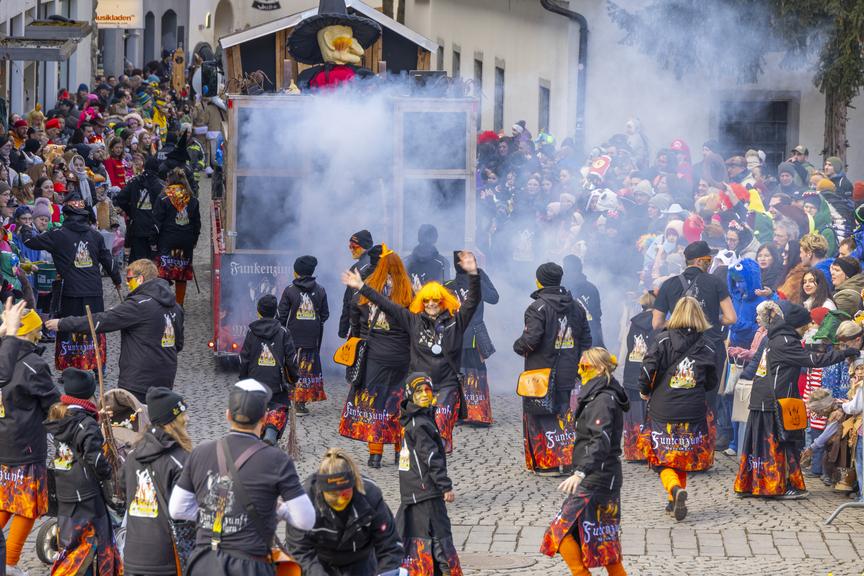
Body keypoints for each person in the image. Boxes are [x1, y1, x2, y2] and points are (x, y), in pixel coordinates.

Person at [168, 380, 316, 576]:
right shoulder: (277, 460)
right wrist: (279, 510)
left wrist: (210, 516)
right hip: (250, 565)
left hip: (204, 563)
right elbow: (306, 520)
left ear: (228, 415)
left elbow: (177, 509)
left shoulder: (201, 452)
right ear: (264, 418)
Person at [342, 251, 481, 454]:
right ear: (421, 302)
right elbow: (386, 304)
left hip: (446, 387)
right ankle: (422, 471)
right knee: (418, 433)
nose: (431, 304)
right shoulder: (413, 321)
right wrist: (361, 286)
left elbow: (473, 301)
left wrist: (474, 274)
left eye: (436, 300)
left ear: (444, 301)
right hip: (419, 387)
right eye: (426, 301)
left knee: (438, 431)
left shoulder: (455, 323)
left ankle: (434, 466)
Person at [734, 302, 856, 499]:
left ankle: (752, 485)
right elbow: (814, 360)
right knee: (780, 444)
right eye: (806, 325)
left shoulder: (774, 337)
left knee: (759, 446)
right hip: (775, 402)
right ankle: (775, 487)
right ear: (797, 325)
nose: (808, 329)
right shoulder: (785, 341)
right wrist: (843, 353)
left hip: (763, 400)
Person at [540, 347, 628, 576]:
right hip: (599, 478)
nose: (580, 370)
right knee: (603, 543)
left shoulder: (603, 399)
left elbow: (601, 440)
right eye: (579, 366)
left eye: (585, 366)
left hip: (597, 479)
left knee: (561, 532)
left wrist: (580, 472)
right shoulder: (597, 393)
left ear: (600, 368)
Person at [46, 259, 184, 403]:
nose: (126, 283)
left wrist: (62, 323)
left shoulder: (138, 306)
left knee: (135, 421)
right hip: (166, 377)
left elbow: (102, 320)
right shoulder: (175, 307)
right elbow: (178, 344)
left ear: (140, 279)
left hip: (138, 379)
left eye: (129, 279)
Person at [637, 297, 719, 520]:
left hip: (664, 408)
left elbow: (647, 370)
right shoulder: (708, 344)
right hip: (693, 409)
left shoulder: (662, 340)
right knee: (681, 455)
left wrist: (644, 390)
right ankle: (673, 501)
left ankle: (674, 489)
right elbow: (712, 382)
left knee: (659, 456)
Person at [652, 240, 736, 450]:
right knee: (707, 398)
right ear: (701, 260)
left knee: (678, 392)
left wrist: (679, 325)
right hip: (709, 348)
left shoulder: (669, 285)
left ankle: (676, 444)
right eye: (709, 258)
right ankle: (702, 448)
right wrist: (712, 322)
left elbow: (657, 323)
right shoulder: (716, 282)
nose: (711, 262)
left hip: (676, 350)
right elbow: (731, 317)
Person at [24, 197, 121, 370]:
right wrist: (117, 280)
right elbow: (109, 261)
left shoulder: (57, 234)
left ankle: (70, 369)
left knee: (68, 327)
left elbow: (30, 242)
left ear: (66, 215)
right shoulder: (96, 236)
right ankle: (99, 366)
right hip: (94, 291)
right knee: (95, 326)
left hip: (69, 291)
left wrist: (24, 228)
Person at [514, 262, 592, 476]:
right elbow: (586, 339)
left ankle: (548, 464)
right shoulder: (576, 306)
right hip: (568, 370)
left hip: (540, 374)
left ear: (539, 281)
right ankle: (567, 462)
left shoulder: (537, 308)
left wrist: (517, 346)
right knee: (564, 414)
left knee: (539, 417)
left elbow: (531, 340)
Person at [0, 300, 59, 575]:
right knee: (27, 507)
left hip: (3, 443)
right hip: (26, 445)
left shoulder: (3, 358)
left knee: (3, 501)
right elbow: (52, 404)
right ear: (34, 333)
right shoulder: (33, 364)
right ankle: (9, 562)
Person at [339, 248, 413, 467]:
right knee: (400, 403)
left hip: (374, 355)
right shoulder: (409, 292)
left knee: (375, 403)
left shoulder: (367, 290)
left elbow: (356, 318)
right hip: (401, 356)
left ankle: (375, 454)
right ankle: (401, 452)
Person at [45, 368, 122, 576]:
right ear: (89, 393)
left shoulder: (60, 417)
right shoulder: (85, 424)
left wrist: (94, 419)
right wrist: (108, 474)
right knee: (95, 545)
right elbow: (95, 458)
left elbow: (76, 438)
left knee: (71, 545)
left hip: (65, 492)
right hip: (87, 496)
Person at [285, 448, 403, 576]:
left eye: (345, 494)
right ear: (322, 490)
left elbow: (390, 545)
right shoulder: (305, 501)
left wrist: (385, 573)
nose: (340, 501)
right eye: (333, 496)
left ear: (353, 485)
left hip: (360, 561)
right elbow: (298, 550)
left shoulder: (370, 496)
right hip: (318, 562)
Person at [123, 387, 195, 575]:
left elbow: (124, 493)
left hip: (133, 555)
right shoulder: (180, 459)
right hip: (166, 557)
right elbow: (186, 509)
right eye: (182, 415)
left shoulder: (132, 456)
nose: (187, 419)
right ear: (170, 422)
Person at [396, 373, 461, 576]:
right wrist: (445, 486)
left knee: (420, 538)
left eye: (428, 390)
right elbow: (431, 458)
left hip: (414, 490)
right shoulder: (420, 424)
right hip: (425, 490)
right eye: (419, 391)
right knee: (440, 539)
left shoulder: (417, 419)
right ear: (410, 395)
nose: (424, 395)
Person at [446, 251, 499, 426]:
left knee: (474, 373)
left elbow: (494, 298)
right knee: (460, 373)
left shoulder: (478, 278)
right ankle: (465, 414)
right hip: (456, 335)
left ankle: (477, 415)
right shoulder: (449, 285)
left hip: (472, 335)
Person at [239, 294, 299, 446]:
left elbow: (244, 358)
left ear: (258, 312)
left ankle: (258, 435)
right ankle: (271, 432)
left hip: (255, 382)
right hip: (276, 383)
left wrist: (243, 380)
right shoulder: (283, 332)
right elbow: (291, 360)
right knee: (278, 407)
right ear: (275, 312)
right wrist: (294, 377)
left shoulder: (251, 332)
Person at [277, 255, 328, 415]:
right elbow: (325, 315)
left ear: (295, 272)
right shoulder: (320, 290)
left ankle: (290, 398)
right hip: (312, 340)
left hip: (292, 340)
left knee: (292, 368)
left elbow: (281, 316)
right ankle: (301, 403)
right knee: (308, 370)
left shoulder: (289, 291)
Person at [154, 168, 201, 306]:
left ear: (169, 181)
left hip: (167, 241)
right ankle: (179, 305)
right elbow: (196, 223)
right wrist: (194, 241)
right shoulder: (192, 200)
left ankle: (164, 303)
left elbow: (157, 222)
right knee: (181, 274)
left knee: (164, 274)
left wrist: (153, 241)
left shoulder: (163, 198)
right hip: (185, 241)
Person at [621, 291, 655, 462]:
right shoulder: (660, 324)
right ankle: (648, 450)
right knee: (648, 412)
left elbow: (629, 345)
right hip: (649, 373)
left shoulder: (634, 322)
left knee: (633, 413)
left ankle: (634, 451)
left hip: (631, 372)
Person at [114, 157, 163, 262]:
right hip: (153, 227)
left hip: (137, 226)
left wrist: (131, 211)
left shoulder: (135, 181)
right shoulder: (160, 185)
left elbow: (120, 198)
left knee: (137, 260)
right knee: (151, 261)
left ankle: (137, 278)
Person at [339, 229, 374, 339]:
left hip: (360, 325)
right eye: (350, 246)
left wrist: (343, 329)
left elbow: (348, 301)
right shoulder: (381, 263)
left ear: (364, 247)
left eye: (354, 246)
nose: (351, 249)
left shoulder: (355, 269)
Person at [563, 255, 604, 347]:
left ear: (578, 270)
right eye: (565, 270)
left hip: (588, 338)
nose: (566, 273)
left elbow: (597, 317)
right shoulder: (561, 289)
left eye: (569, 270)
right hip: (566, 340)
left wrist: (599, 343)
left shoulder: (591, 289)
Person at [404, 224, 450, 289]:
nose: (426, 240)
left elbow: (446, 289)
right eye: (424, 237)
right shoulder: (406, 262)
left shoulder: (442, 263)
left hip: (434, 298)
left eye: (429, 237)